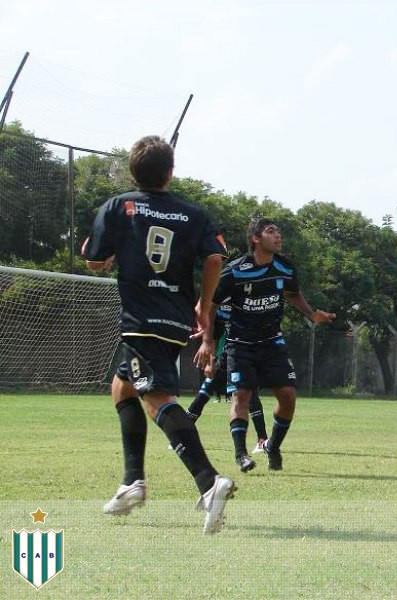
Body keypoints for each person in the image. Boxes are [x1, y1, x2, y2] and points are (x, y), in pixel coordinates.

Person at [82, 135, 235, 534]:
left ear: (134, 172)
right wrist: (204, 304)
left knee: (155, 397)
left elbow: (94, 260)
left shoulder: (119, 206)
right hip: (173, 318)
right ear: (171, 171)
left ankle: (208, 480)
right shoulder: (192, 213)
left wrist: (102, 255)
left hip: (140, 318)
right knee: (123, 387)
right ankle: (133, 481)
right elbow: (216, 257)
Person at [210, 217, 335, 472]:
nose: (278, 236)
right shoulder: (235, 271)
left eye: (278, 231)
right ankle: (241, 454)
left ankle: (273, 446)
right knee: (241, 394)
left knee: (288, 396)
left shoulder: (285, 268)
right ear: (255, 239)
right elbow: (210, 304)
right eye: (270, 231)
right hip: (240, 343)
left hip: (271, 342)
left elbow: (292, 293)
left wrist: (311, 314)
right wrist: (207, 342)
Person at [185, 301, 269, 453]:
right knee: (206, 389)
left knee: (249, 395)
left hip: (246, 353)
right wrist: (210, 362)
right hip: (227, 354)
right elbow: (214, 335)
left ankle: (262, 440)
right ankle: (182, 436)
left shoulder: (246, 299)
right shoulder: (219, 303)